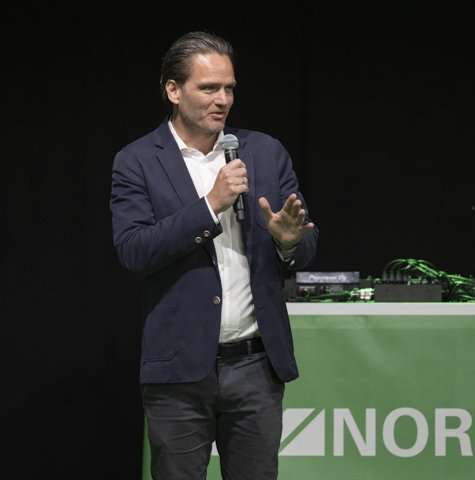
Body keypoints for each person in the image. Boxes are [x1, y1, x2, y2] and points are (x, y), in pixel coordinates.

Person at [110, 31, 318, 479]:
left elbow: (304, 245)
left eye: (229, 88)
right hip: (179, 371)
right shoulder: (138, 160)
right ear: (173, 90)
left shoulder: (265, 152)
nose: (222, 100)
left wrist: (288, 241)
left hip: (256, 366)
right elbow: (134, 251)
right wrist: (209, 206)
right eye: (208, 88)